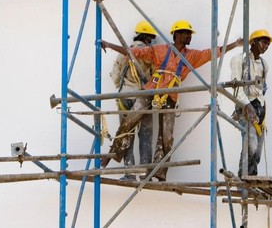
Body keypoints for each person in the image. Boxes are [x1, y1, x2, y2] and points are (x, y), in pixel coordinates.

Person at [100, 20, 242, 181]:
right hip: (152, 90)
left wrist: (234, 45)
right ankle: (111, 154)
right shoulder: (160, 50)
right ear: (176, 34)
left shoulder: (191, 56)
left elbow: (212, 53)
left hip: (171, 96)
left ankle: (158, 172)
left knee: (166, 136)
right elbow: (134, 53)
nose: (189, 36)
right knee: (129, 121)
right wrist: (110, 45)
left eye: (189, 33)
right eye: (186, 33)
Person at [108, 21, 157, 181]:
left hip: (124, 98)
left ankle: (129, 173)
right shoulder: (149, 53)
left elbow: (115, 75)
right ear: (146, 37)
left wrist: (123, 86)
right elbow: (154, 76)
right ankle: (144, 174)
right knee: (145, 135)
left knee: (126, 134)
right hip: (142, 98)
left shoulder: (124, 52)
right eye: (151, 38)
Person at [229, 29, 272, 177]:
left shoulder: (264, 64)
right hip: (245, 106)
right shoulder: (239, 60)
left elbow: (262, 88)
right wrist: (247, 106)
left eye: (268, 44)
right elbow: (236, 88)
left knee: (258, 153)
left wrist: (259, 108)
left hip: (260, 109)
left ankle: (251, 181)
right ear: (253, 42)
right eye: (263, 42)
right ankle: (243, 180)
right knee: (251, 146)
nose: (266, 46)